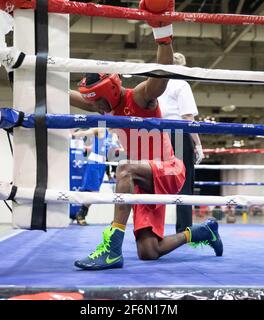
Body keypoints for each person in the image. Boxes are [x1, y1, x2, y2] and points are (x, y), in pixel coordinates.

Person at [69, 0, 223, 270]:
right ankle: (203, 232)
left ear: (112, 91)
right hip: (144, 179)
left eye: (100, 101)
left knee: (124, 168)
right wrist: (22, 69)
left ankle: (113, 249)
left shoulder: (140, 96)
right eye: (93, 101)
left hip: (169, 171)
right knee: (149, 251)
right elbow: (60, 92)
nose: (97, 107)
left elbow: (161, 76)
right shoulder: (100, 104)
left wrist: (163, 36)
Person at [158, 52, 204, 233]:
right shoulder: (181, 84)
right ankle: (184, 231)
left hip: (159, 133)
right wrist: (198, 144)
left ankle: (153, 228)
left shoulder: (157, 84)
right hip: (178, 133)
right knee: (183, 182)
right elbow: (187, 116)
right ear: (183, 67)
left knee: (157, 181)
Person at [72, 128, 115, 225]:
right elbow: (86, 132)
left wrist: (108, 174)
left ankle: (81, 214)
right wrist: (74, 135)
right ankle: (80, 214)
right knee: (94, 192)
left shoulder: (112, 134)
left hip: (102, 165)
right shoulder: (101, 129)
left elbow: (107, 153)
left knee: (91, 191)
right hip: (94, 163)